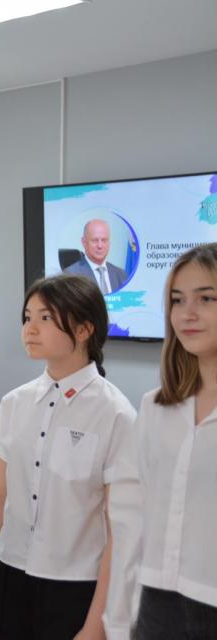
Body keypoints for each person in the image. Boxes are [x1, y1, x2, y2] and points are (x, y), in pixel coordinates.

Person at [0, 274, 136, 640]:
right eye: (27, 317)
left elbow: (119, 531)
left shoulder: (116, 414)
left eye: (45, 318)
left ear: (84, 329)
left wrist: (96, 624)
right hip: (10, 574)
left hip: (75, 587)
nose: (30, 329)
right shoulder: (14, 403)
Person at [110, 243, 217, 639]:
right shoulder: (155, 407)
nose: (187, 313)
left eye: (206, 298)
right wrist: (117, 620)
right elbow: (129, 519)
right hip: (157, 605)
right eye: (177, 300)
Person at [62, 219, 128, 294]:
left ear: (109, 242)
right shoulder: (71, 276)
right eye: (95, 240)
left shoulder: (121, 274)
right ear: (84, 242)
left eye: (104, 240)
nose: (100, 246)